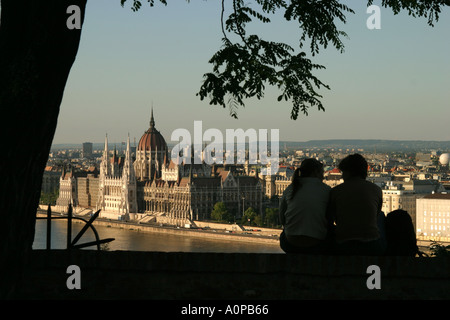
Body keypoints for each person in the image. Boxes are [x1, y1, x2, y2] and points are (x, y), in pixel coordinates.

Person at [328, 154, 386, 256]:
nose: (342, 176)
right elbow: (376, 215)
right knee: (381, 215)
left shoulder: (336, 191)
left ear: (348, 172)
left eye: (343, 172)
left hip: (343, 243)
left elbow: (332, 218)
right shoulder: (376, 189)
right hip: (371, 243)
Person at [279, 158, 332, 254]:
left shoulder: (290, 188)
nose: (323, 177)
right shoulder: (326, 190)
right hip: (316, 244)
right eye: (322, 173)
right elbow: (330, 219)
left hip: (290, 243)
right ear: (316, 173)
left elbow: (282, 218)